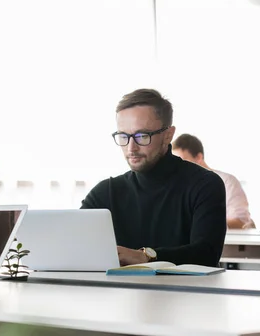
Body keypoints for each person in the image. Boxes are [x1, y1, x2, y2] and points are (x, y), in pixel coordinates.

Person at [80, 89, 226, 267]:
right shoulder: (105, 192)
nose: (131, 148)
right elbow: (74, 245)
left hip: (187, 293)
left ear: (168, 135)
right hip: (120, 293)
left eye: (142, 136)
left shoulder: (204, 185)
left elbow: (206, 254)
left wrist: (146, 257)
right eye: (123, 136)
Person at [172, 133, 254, 230]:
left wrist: (200, 224)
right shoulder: (178, 185)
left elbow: (240, 222)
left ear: (199, 157)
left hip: (226, 243)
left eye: (184, 161)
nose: (180, 167)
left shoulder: (227, 182)